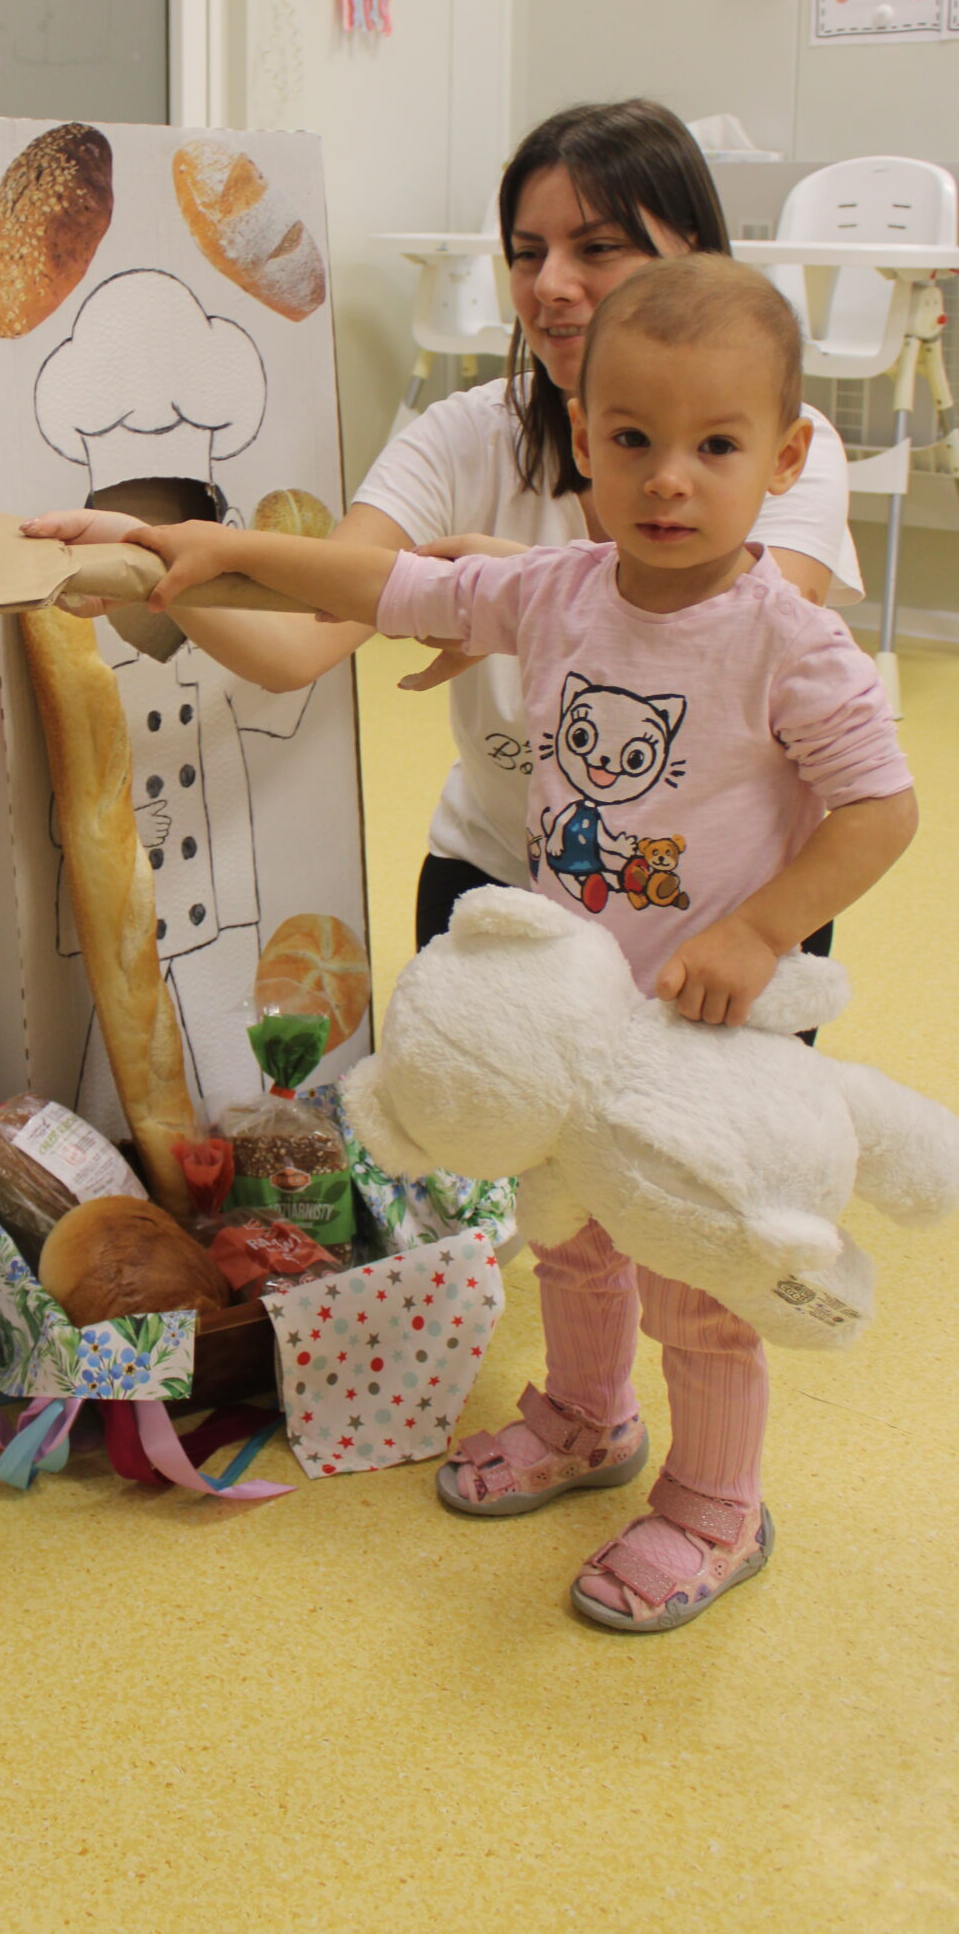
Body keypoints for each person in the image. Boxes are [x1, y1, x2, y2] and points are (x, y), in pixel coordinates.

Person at [118, 253, 916, 1633]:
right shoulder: (553, 590)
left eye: (716, 447)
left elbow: (880, 811)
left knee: (698, 1280)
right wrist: (219, 551)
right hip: (564, 1022)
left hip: (707, 1043)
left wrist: (755, 932)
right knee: (568, 1235)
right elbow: (384, 585)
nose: (669, 479)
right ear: (583, 443)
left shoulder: (790, 643)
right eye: (633, 440)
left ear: (783, 458)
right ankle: (585, 1418)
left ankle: (715, 1507)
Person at [26, 99, 864, 954]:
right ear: (584, 439)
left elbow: (734, 637)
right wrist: (157, 554)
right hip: (504, 882)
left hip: (722, 914)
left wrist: (514, 591)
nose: (550, 285)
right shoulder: (466, 434)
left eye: (597, 247)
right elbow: (307, 629)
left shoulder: (774, 447)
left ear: (694, 255)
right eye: (527, 254)